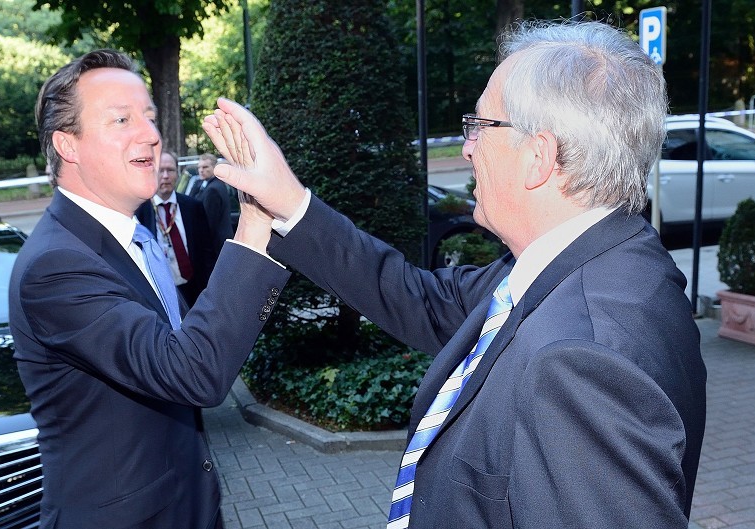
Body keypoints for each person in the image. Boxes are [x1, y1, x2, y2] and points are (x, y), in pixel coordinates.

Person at [203, 20, 707, 529]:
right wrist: (289, 200)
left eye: (480, 127)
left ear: (539, 156)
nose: (467, 147)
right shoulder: (586, 265)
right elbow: (413, 296)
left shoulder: (579, 359)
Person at [8, 48, 290, 529]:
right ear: (67, 145)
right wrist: (255, 222)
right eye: (121, 119)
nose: (152, 135)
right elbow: (193, 372)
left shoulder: (132, 233)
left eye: (150, 116)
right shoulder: (56, 267)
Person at [135, 151, 216, 306]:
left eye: (170, 170)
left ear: (177, 174)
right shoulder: (139, 211)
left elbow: (207, 251)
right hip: (159, 293)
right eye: (161, 170)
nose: (165, 176)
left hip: (193, 290)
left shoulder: (193, 206)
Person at [190, 152, 233, 255]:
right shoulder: (213, 184)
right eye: (199, 167)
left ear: (214, 167)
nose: (201, 170)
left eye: (205, 167)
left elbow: (209, 223)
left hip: (215, 246)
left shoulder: (213, 190)